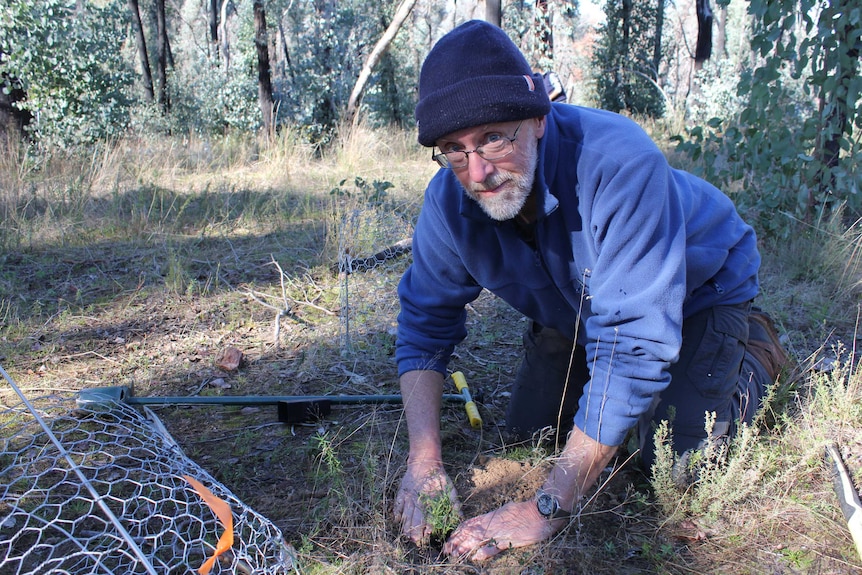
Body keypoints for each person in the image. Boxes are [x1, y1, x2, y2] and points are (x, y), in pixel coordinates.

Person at [392, 20, 790, 561]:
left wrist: (545, 508)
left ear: (537, 117)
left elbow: (633, 351)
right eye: (454, 150)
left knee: (672, 470)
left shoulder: (618, 163)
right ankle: (591, 351)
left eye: (492, 136)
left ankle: (753, 356)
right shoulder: (448, 203)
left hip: (700, 288)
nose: (478, 171)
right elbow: (423, 328)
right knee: (530, 438)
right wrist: (424, 462)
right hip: (583, 307)